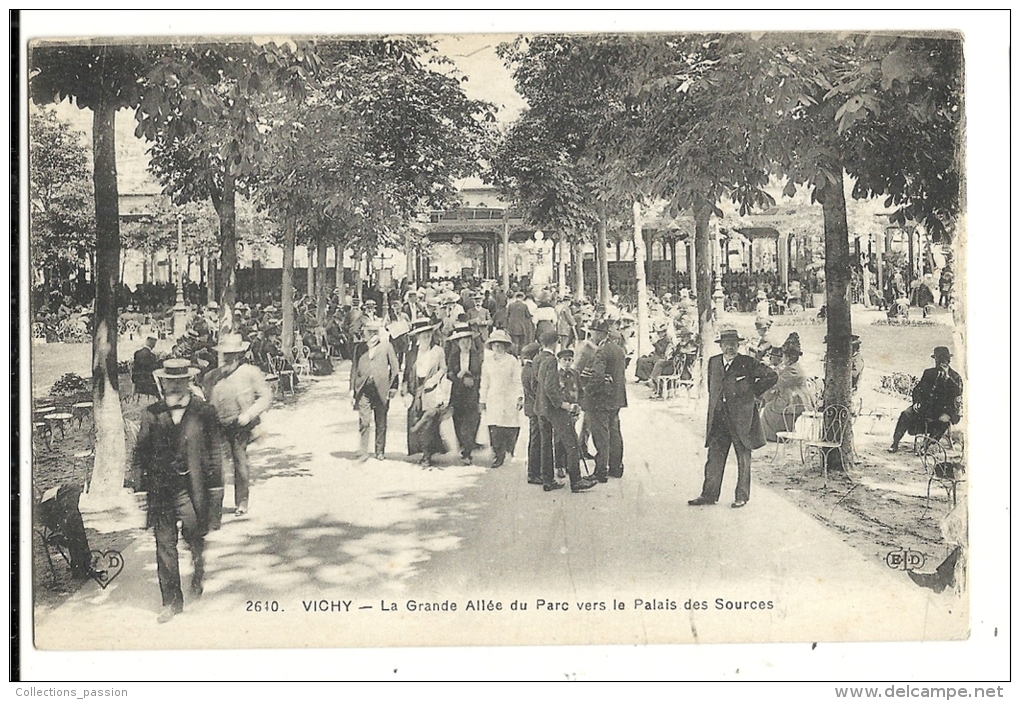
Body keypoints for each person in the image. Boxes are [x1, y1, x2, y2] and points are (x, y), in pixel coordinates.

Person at [134, 359, 221, 623]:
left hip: (192, 488)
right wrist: (139, 489)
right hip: (161, 490)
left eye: (178, 381)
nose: (173, 386)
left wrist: (216, 490)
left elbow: (214, 453)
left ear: (187, 382)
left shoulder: (204, 411)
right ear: (162, 382)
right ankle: (171, 601)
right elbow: (140, 454)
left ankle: (198, 568)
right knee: (164, 545)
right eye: (168, 381)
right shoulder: (151, 413)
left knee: (195, 534)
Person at [688, 327, 778, 508]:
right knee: (714, 457)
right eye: (726, 344)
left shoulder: (747, 362)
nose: (729, 348)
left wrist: (753, 393)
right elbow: (711, 387)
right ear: (720, 346)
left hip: (740, 419)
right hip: (718, 418)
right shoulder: (713, 362)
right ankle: (709, 495)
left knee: (743, 458)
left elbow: (772, 376)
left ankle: (742, 496)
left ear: (738, 345)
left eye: (733, 344)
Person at [204, 333, 273, 518]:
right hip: (217, 425)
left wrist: (249, 414)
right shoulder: (212, 376)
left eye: (232, 354)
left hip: (240, 425)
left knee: (240, 463)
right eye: (225, 354)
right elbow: (206, 401)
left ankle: (241, 501)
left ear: (239, 355)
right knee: (215, 466)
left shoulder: (250, 372)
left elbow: (266, 397)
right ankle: (214, 506)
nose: (228, 358)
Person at [535, 330, 597, 493]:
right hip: (554, 410)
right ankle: (576, 481)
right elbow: (550, 387)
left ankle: (548, 480)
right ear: (555, 343)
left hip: (541, 409)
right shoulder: (550, 361)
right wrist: (563, 405)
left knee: (546, 445)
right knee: (572, 443)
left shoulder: (538, 358)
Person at [888, 346, 963, 453]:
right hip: (925, 408)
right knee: (905, 414)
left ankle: (926, 446)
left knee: (944, 422)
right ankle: (895, 443)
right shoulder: (929, 373)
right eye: (938, 360)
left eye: (944, 360)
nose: (941, 363)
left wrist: (947, 379)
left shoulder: (955, 377)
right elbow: (917, 389)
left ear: (948, 361)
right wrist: (917, 402)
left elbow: (957, 397)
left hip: (943, 410)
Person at [580, 318, 628, 482]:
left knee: (601, 436)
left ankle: (601, 471)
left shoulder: (601, 351)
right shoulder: (618, 349)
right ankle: (616, 467)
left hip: (601, 400)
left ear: (599, 333)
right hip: (616, 398)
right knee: (615, 433)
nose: (591, 335)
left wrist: (588, 392)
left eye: (593, 332)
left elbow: (597, 376)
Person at [350, 320, 400, 462]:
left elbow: (395, 369)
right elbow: (354, 369)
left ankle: (379, 451)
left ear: (373, 333)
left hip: (381, 389)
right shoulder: (359, 348)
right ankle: (364, 450)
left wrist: (393, 387)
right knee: (364, 421)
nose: (362, 334)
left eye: (365, 332)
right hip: (363, 390)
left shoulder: (386, 346)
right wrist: (351, 390)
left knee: (381, 421)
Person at [406, 319, 448, 467]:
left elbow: (443, 368)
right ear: (417, 337)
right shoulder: (412, 353)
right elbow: (407, 371)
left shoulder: (438, 351)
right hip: (415, 388)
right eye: (423, 336)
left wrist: (435, 379)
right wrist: (405, 388)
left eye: (429, 335)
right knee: (415, 419)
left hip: (431, 388)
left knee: (429, 423)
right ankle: (422, 450)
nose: (426, 338)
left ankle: (427, 455)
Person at [479, 330, 522, 468]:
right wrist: (482, 399)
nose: (497, 348)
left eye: (500, 345)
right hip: (494, 396)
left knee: (510, 425)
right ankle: (498, 455)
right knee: (494, 427)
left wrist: (519, 396)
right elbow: (484, 382)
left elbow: (517, 380)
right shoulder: (487, 362)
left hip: (509, 396)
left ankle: (510, 450)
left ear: (505, 346)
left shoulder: (512, 361)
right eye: (494, 345)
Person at [759, 333, 813, 442]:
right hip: (790, 397)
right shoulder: (791, 367)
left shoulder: (793, 370)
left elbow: (778, 382)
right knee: (769, 403)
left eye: (783, 355)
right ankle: (773, 434)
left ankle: (774, 435)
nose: (782, 358)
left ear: (788, 357)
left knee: (769, 408)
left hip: (795, 400)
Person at [447, 323, 484, 464]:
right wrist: (458, 376)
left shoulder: (476, 356)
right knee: (458, 421)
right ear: (457, 343)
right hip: (457, 393)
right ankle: (465, 445)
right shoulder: (454, 356)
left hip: (473, 393)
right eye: (463, 342)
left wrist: (472, 379)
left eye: (468, 341)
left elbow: (481, 373)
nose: (466, 344)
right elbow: (448, 373)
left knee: (473, 420)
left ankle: (468, 451)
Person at [519, 342, 544, 484]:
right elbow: (535, 391)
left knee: (536, 439)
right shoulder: (531, 371)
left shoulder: (527, 369)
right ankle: (533, 473)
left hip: (532, 409)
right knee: (536, 440)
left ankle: (535, 471)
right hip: (535, 409)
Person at [132, 335, 161, 401]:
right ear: (153, 345)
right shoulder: (152, 356)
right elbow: (154, 370)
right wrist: (160, 360)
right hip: (147, 383)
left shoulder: (137, 353)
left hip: (137, 380)